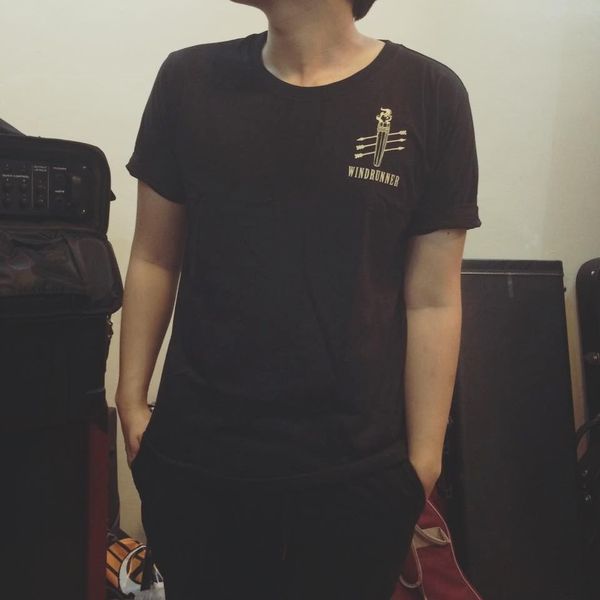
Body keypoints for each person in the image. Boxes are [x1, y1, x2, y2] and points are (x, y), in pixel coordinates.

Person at [116, 0, 482, 598]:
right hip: (198, 464)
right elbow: (155, 256)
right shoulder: (187, 80)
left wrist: (424, 462)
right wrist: (130, 401)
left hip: (358, 475)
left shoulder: (430, 94)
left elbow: (433, 298)